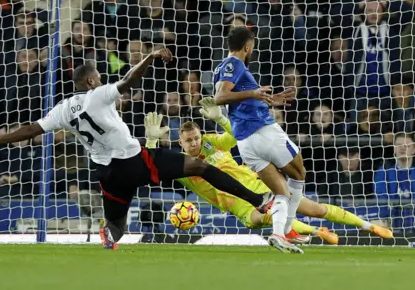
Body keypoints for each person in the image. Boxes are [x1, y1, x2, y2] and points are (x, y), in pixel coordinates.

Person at [0, 48, 274, 251]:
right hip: (135, 160)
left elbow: (32, 129)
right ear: (91, 81)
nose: (102, 80)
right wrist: (151, 57)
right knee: (202, 168)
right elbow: (128, 80)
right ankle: (259, 199)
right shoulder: (97, 94)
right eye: (99, 77)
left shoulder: (63, 109)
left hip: (106, 172)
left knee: (117, 223)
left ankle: (109, 236)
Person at [156, 99, 392, 244]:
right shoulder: (181, 166)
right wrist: (149, 140)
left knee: (316, 208)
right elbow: (149, 167)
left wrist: (221, 118)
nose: (195, 143)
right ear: (181, 143)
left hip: (262, 186)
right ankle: (316, 232)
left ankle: (368, 226)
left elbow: (237, 136)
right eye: (190, 140)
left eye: (196, 138)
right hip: (241, 207)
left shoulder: (211, 143)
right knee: (268, 216)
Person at [213, 26, 304, 254]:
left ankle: (278, 234)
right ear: (247, 47)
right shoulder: (236, 63)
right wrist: (254, 94)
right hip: (262, 131)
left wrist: (270, 99)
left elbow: (239, 101)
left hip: (246, 142)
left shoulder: (220, 68)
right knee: (299, 174)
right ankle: (288, 228)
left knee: (281, 192)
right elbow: (220, 97)